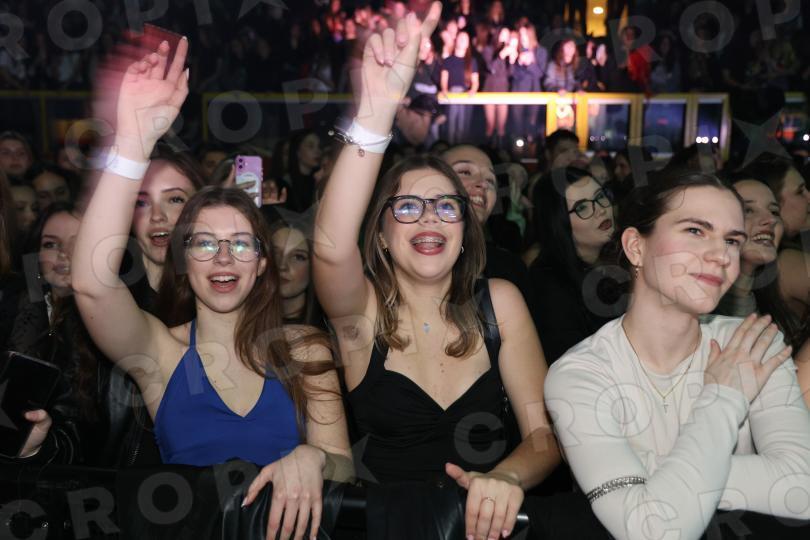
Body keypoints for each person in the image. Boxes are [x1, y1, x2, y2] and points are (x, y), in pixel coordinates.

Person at [73, 36, 351, 539]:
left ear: (262, 263)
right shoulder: (160, 353)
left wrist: (315, 458)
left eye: (241, 244)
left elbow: (344, 466)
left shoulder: (304, 348)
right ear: (182, 261)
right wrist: (131, 144)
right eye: (204, 243)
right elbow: (92, 285)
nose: (224, 257)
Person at [313, 5, 559, 539]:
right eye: (408, 207)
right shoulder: (360, 311)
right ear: (380, 233)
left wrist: (503, 478)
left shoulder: (501, 301)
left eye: (447, 206)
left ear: (465, 230)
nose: (429, 218)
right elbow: (329, 249)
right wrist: (377, 111)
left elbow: (543, 437)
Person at [545, 169, 810, 539]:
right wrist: (724, 396)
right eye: (696, 231)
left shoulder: (752, 344)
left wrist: (655, 480)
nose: (721, 255)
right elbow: (655, 531)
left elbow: (801, 490)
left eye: (732, 241)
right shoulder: (581, 374)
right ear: (636, 247)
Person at [715, 171, 810, 408]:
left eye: (774, 211)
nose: (769, 220)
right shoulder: (701, 311)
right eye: (748, 210)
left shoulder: (766, 300)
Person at [529, 167, 625, 365]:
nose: (600, 210)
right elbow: (570, 365)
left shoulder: (621, 257)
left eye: (600, 196)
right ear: (558, 222)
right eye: (582, 208)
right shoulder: (549, 284)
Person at [271, 221, 325, 329]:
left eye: (298, 257)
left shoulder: (330, 328)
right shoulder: (243, 321)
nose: (282, 265)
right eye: (275, 254)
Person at [440, 31, 479, 144]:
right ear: (456, 40)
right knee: (451, 126)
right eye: (460, 38)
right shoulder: (448, 60)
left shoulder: (472, 61)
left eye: (465, 39)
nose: (462, 41)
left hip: (465, 95)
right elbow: (444, 79)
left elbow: (475, 81)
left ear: (468, 44)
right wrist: (445, 90)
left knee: (462, 127)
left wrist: (472, 90)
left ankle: (461, 146)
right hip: (452, 94)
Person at [481, 27, 515, 146]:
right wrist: (501, 55)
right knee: (490, 125)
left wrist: (512, 61)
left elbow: (510, 74)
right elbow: (491, 68)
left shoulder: (509, 51)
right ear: (498, 35)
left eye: (507, 35)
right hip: (490, 89)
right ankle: (488, 149)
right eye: (503, 34)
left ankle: (500, 150)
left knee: (501, 126)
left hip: (503, 90)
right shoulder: (488, 49)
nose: (505, 38)